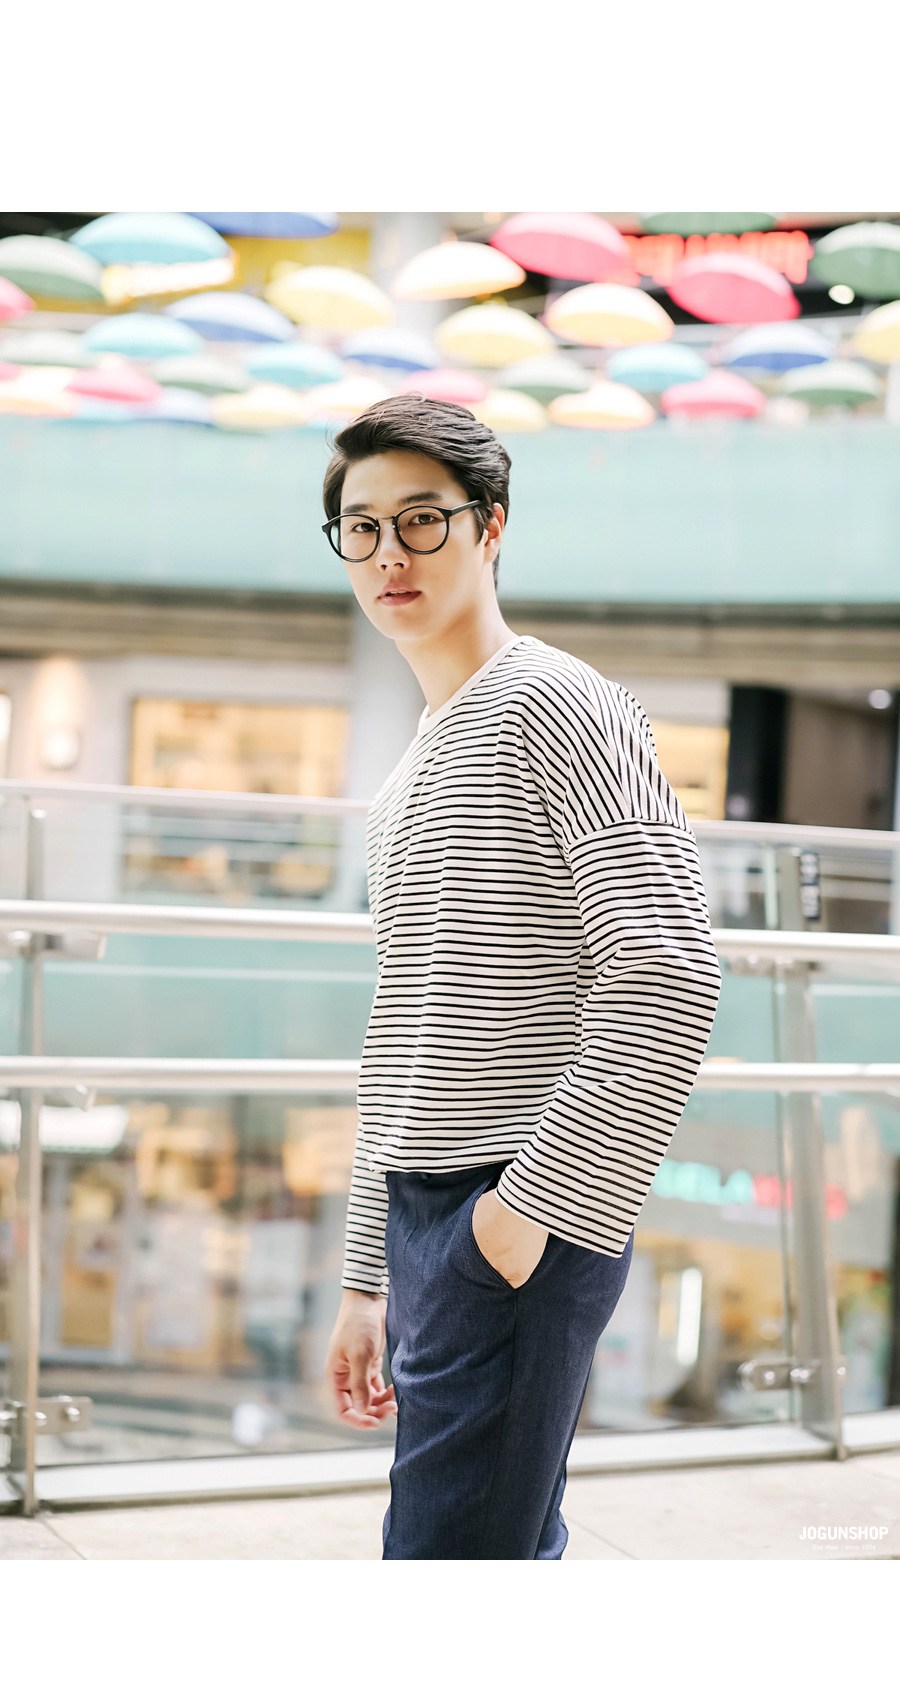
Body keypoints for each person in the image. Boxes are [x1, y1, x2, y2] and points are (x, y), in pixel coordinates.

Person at [322, 394, 722, 1559]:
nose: (389, 553)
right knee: (485, 1547)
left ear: (491, 526)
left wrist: (525, 1214)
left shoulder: (559, 704)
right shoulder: (410, 768)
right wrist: (366, 1276)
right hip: (430, 1210)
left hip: (516, 1202)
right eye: (361, 527)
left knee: (453, 1561)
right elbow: (400, 1033)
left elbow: (669, 968)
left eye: (422, 520)